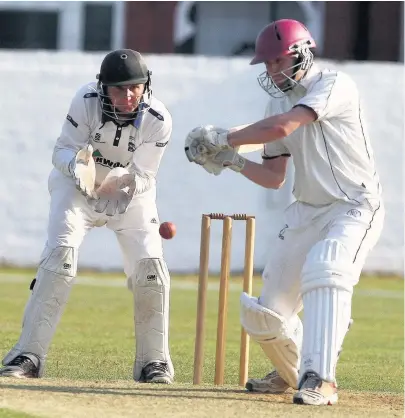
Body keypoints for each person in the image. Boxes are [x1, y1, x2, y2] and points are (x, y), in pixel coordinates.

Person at [185, 19, 384, 405]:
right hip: (307, 210)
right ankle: (291, 372)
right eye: (266, 65)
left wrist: (226, 137)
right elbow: (275, 177)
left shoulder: (334, 85)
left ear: (302, 54)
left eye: (278, 62)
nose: (272, 72)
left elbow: (285, 125)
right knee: (267, 313)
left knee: (326, 269)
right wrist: (231, 160)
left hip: (354, 206)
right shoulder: (276, 100)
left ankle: (321, 379)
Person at [0, 49, 175, 384]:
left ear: (145, 85)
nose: (127, 96)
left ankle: (154, 362)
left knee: (150, 268)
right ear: (103, 86)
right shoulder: (85, 98)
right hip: (76, 188)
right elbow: (62, 150)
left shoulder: (159, 118)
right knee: (60, 260)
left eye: (135, 87)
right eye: (118, 89)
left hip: (128, 193)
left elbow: (147, 175)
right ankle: (28, 355)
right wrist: (79, 170)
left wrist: (124, 185)